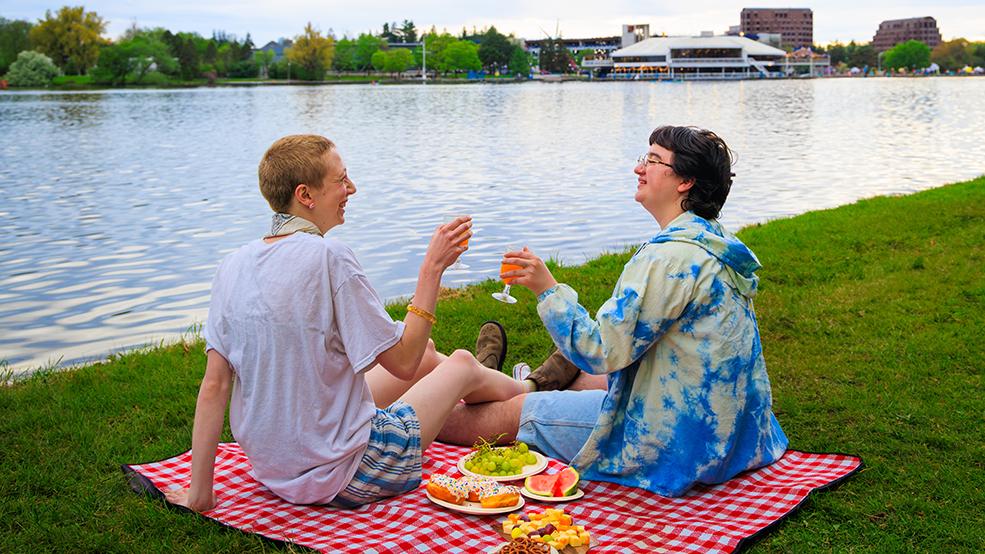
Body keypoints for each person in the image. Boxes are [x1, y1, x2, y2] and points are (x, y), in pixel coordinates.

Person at [165, 134, 525, 511]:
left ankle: (505, 382)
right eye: (341, 179)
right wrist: (432, 269)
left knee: (429, 354)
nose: (351, 188)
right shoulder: (329, 257)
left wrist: (200, 493)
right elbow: (403, 362)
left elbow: (215, 384)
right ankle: (528, 389)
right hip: (350, 471)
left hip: (275, 468)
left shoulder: (232, 265)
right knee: (461, 364)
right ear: (306, 195)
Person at [439, 126, 789, 497]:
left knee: (519, 413)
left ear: (685, 181)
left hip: (677, 444)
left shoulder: (668, 258)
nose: (639, 168)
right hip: (733, 432)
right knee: (580, 382)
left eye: (653, 160)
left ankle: (411, 416)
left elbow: (598, 351)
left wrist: (546, 289)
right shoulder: (714, 239)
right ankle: (488, 378)